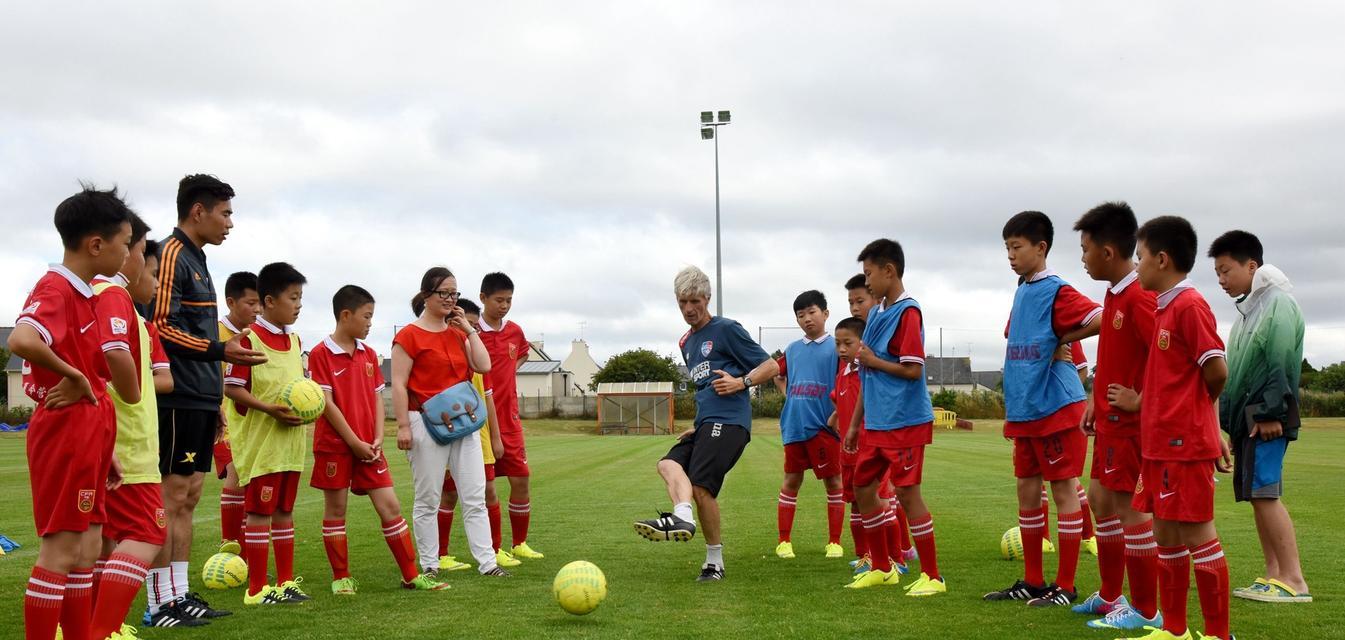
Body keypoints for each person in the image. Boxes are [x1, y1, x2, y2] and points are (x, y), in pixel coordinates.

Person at [11, 186, 135, 640]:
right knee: (62, 552)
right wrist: (77, 377)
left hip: (90, 432)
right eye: (124, 243)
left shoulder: (83, 295)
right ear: (96, 244)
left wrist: (107, 450)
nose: (127, 253)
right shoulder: (56, 286)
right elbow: (22, 340)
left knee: (86, 551)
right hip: (64, 430)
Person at [147, 174, 263, 621]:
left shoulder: (198, 258)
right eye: (226, 212)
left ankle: (178, 593)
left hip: (199, 397)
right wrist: (221, 350)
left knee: (190, 496)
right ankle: (159, 603)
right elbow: (162, 326)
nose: (230, 223)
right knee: (171, 497)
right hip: (176, 398)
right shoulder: (172, 254)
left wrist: (215, 400)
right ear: (199, 211)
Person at [1123, 215, 1233, 640]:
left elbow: (1217, 370)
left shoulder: (1190, 306)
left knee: (1197, 533)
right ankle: (1174, 629)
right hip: (1158, 447)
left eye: (1140, 257)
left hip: (1182, 445)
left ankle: (1218, 634)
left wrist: (1198, 414)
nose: (1137, 266)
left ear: (1162, 259)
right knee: (1164, 533)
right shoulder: (1165, 307)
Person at [632, 266, 779, 582]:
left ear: (707, 298)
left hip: (731, 423)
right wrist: (699, 426)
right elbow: (704, 390)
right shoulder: (686, 341)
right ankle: (682, 517)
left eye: (695, 301)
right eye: (682, 302)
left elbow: (771, 365)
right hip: (707, 424)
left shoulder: (727, 330)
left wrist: (741, 382)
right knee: (667, 464)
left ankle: (714, 563)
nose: (689, 309)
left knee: (700, 486)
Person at [985, 211, 1101, 608]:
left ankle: (1065, 586)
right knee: (1027, 490)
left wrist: (1064, 336)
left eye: (1016, 247)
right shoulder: (1023, 291)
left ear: (1041, 247)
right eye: (1007, 248)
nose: (1010, 255)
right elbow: (1015, 335)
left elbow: (1101, 317)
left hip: (1057, 407)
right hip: (1026, 410)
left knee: (1064, 490)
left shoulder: (1056, 288)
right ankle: (1033, 582)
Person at [88, 224, 199, 637]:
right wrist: (126, 386)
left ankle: (90, 627)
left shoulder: (108, 305)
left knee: (96, 542)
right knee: (147, 532)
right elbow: (111, 363)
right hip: (126, 444)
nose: (152, 279)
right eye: (150, 269)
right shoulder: (111, 297)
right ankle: (102, 630)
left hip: (111, 440)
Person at [308, 285, 448, 594]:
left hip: (370, 448)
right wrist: (354, 442)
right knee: (336, 510)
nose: (371, 323)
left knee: (391, 506)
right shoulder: (320, 354)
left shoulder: (370, 354)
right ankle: (341, 578)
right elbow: (326, 405)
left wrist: (377, 437)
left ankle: (411, 575)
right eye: (367, 316)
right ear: (346, 316)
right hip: (335, 447)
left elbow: (376, 400)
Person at [1070, 202, 1162, 630]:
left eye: (1086, 249)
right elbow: (1114, 357)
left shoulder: (1141, 297)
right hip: (1107, 422)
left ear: (1108, 252)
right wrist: (1093, 399)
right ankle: (1111, 596)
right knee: (1103, 501)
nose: (1083, 258)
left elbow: (1168, 360)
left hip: (1130, 429)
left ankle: (1146, 610)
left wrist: (1140, 400)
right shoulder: (1115, 294)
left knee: (1131, 512)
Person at [1209, 230, 1311, 604]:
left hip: (1268, 419)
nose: (1221, 280)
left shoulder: (1278, 303)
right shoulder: (1249, 309)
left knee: (1266, 494)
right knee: (1256, 495)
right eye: (1217, 273)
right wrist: (1231, 424)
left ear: (1252, 265)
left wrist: (1271, 414)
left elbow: (1280, 361)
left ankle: (1295, 580)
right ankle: (1274, 576)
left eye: (1226, 270)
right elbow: (1236, 373)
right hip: (1248, 421)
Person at [841, 239, 945, 595]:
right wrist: (855, 424)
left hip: (905, 422)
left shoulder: (908, 312)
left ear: (889, 271)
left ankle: (932, 575)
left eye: (870, 274)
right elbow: (867, 378)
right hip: (876, 424)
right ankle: (883, 567)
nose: (866, 282)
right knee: (862, 487)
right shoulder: (878, 315)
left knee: (907, 494)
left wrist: (873, 362)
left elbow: (913, 370)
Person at [392, 267, 505, 579]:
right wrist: (403, 425)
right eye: (443, 293)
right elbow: (398, 384)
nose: (449, 299)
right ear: (427, 295)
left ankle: (487, 563)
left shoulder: (458, 333)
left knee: (474, 494)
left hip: (464, 422)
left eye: (454, 293)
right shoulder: (408, 336)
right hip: (425, 422)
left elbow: (483, 365)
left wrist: (469, 330)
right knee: (428, 497)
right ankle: (429, 564)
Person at [224, 262, 312, 606]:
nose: (299, 304)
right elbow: (232, 389)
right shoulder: (248, 339)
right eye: (293, 297)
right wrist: (270, 409)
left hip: (290, 445)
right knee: (260, 513)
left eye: (301, 297)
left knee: (285, 512)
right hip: (261, 447)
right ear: (270, 301)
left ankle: (286, 582)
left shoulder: (294, 340)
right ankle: (257, 589)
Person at [476, 272, 542, 564]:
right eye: (499, 300)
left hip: (509, 420)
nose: (504, 306)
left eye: (509, 300)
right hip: (479, 421)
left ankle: (520, 543)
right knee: (487, 487)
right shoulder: (470, 332)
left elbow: (522, 355)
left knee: (521, 480)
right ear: (483, 299)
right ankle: (494, 549)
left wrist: (507, 371)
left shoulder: (514, 331)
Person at [772, 290, 843, 560]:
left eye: (812, 312)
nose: (807, 319)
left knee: (834, 482)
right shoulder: (791, 350)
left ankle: (834, 542)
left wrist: (838, 414)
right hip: (794, 425)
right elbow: (777, 374)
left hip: (824, 428)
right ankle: (784, 541)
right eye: (801, 315)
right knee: (791, 480)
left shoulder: (838, 346)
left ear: (825, 313)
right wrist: (787, 394)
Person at [437, 298, 506, 572]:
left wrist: (496, 438)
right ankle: (440, 555)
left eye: (475, 327)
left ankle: (495, 552)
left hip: (480, 439)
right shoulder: (446, 356)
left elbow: (489, 400)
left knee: (488, 492)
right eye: (467, 325)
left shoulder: (478, 360)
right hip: (447, 434)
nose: (471, 331)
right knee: (448, 496)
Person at [216, 272, 260, 557]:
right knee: (236, 473)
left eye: (259, 304)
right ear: (231, 302)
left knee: (249, 482)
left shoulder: (256, 338)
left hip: (250, 422)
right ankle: (229, 546)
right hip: (221, 420)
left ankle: (242, 556)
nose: (257, 310)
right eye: (250, 303)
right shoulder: (214, 333)